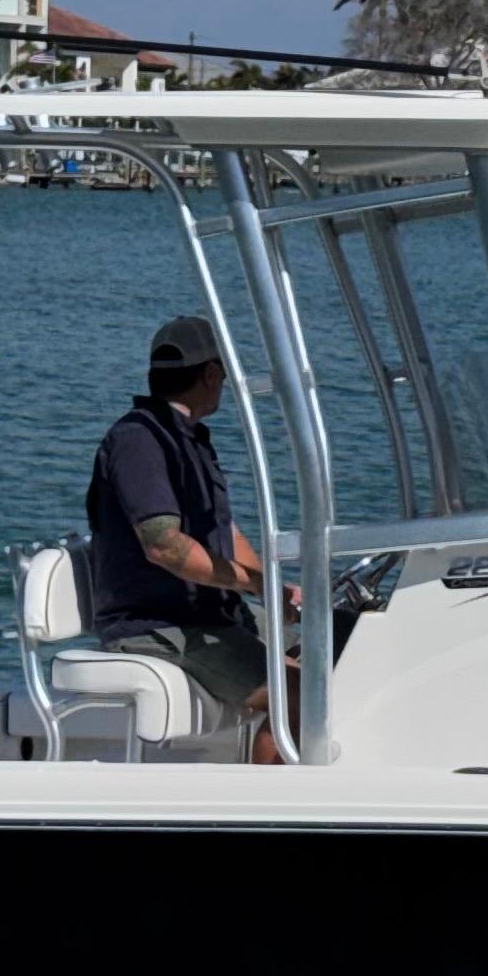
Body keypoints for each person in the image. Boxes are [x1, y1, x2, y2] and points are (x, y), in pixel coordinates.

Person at [82, 315, 287, 755]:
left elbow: (221, 529)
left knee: (337, 662)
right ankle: (273, 816)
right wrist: (253, 583)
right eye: (224, 374)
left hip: (210, 619)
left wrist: (272, 591)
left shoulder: (187, 440)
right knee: (302, 696)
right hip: (159, 625)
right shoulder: (140, 439)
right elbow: (165, 547)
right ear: (211, 374)